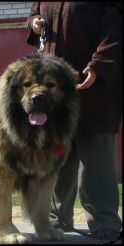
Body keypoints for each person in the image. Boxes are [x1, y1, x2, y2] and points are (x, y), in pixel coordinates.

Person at [26, 2, 122, 241]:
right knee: (59, 160)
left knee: (97, 164)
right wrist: (34, 23)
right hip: (56, 97)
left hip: (95, 92)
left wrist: (98, 66)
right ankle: (57, 220)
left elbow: (116, 32)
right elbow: (34, 14)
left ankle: (104, 222)